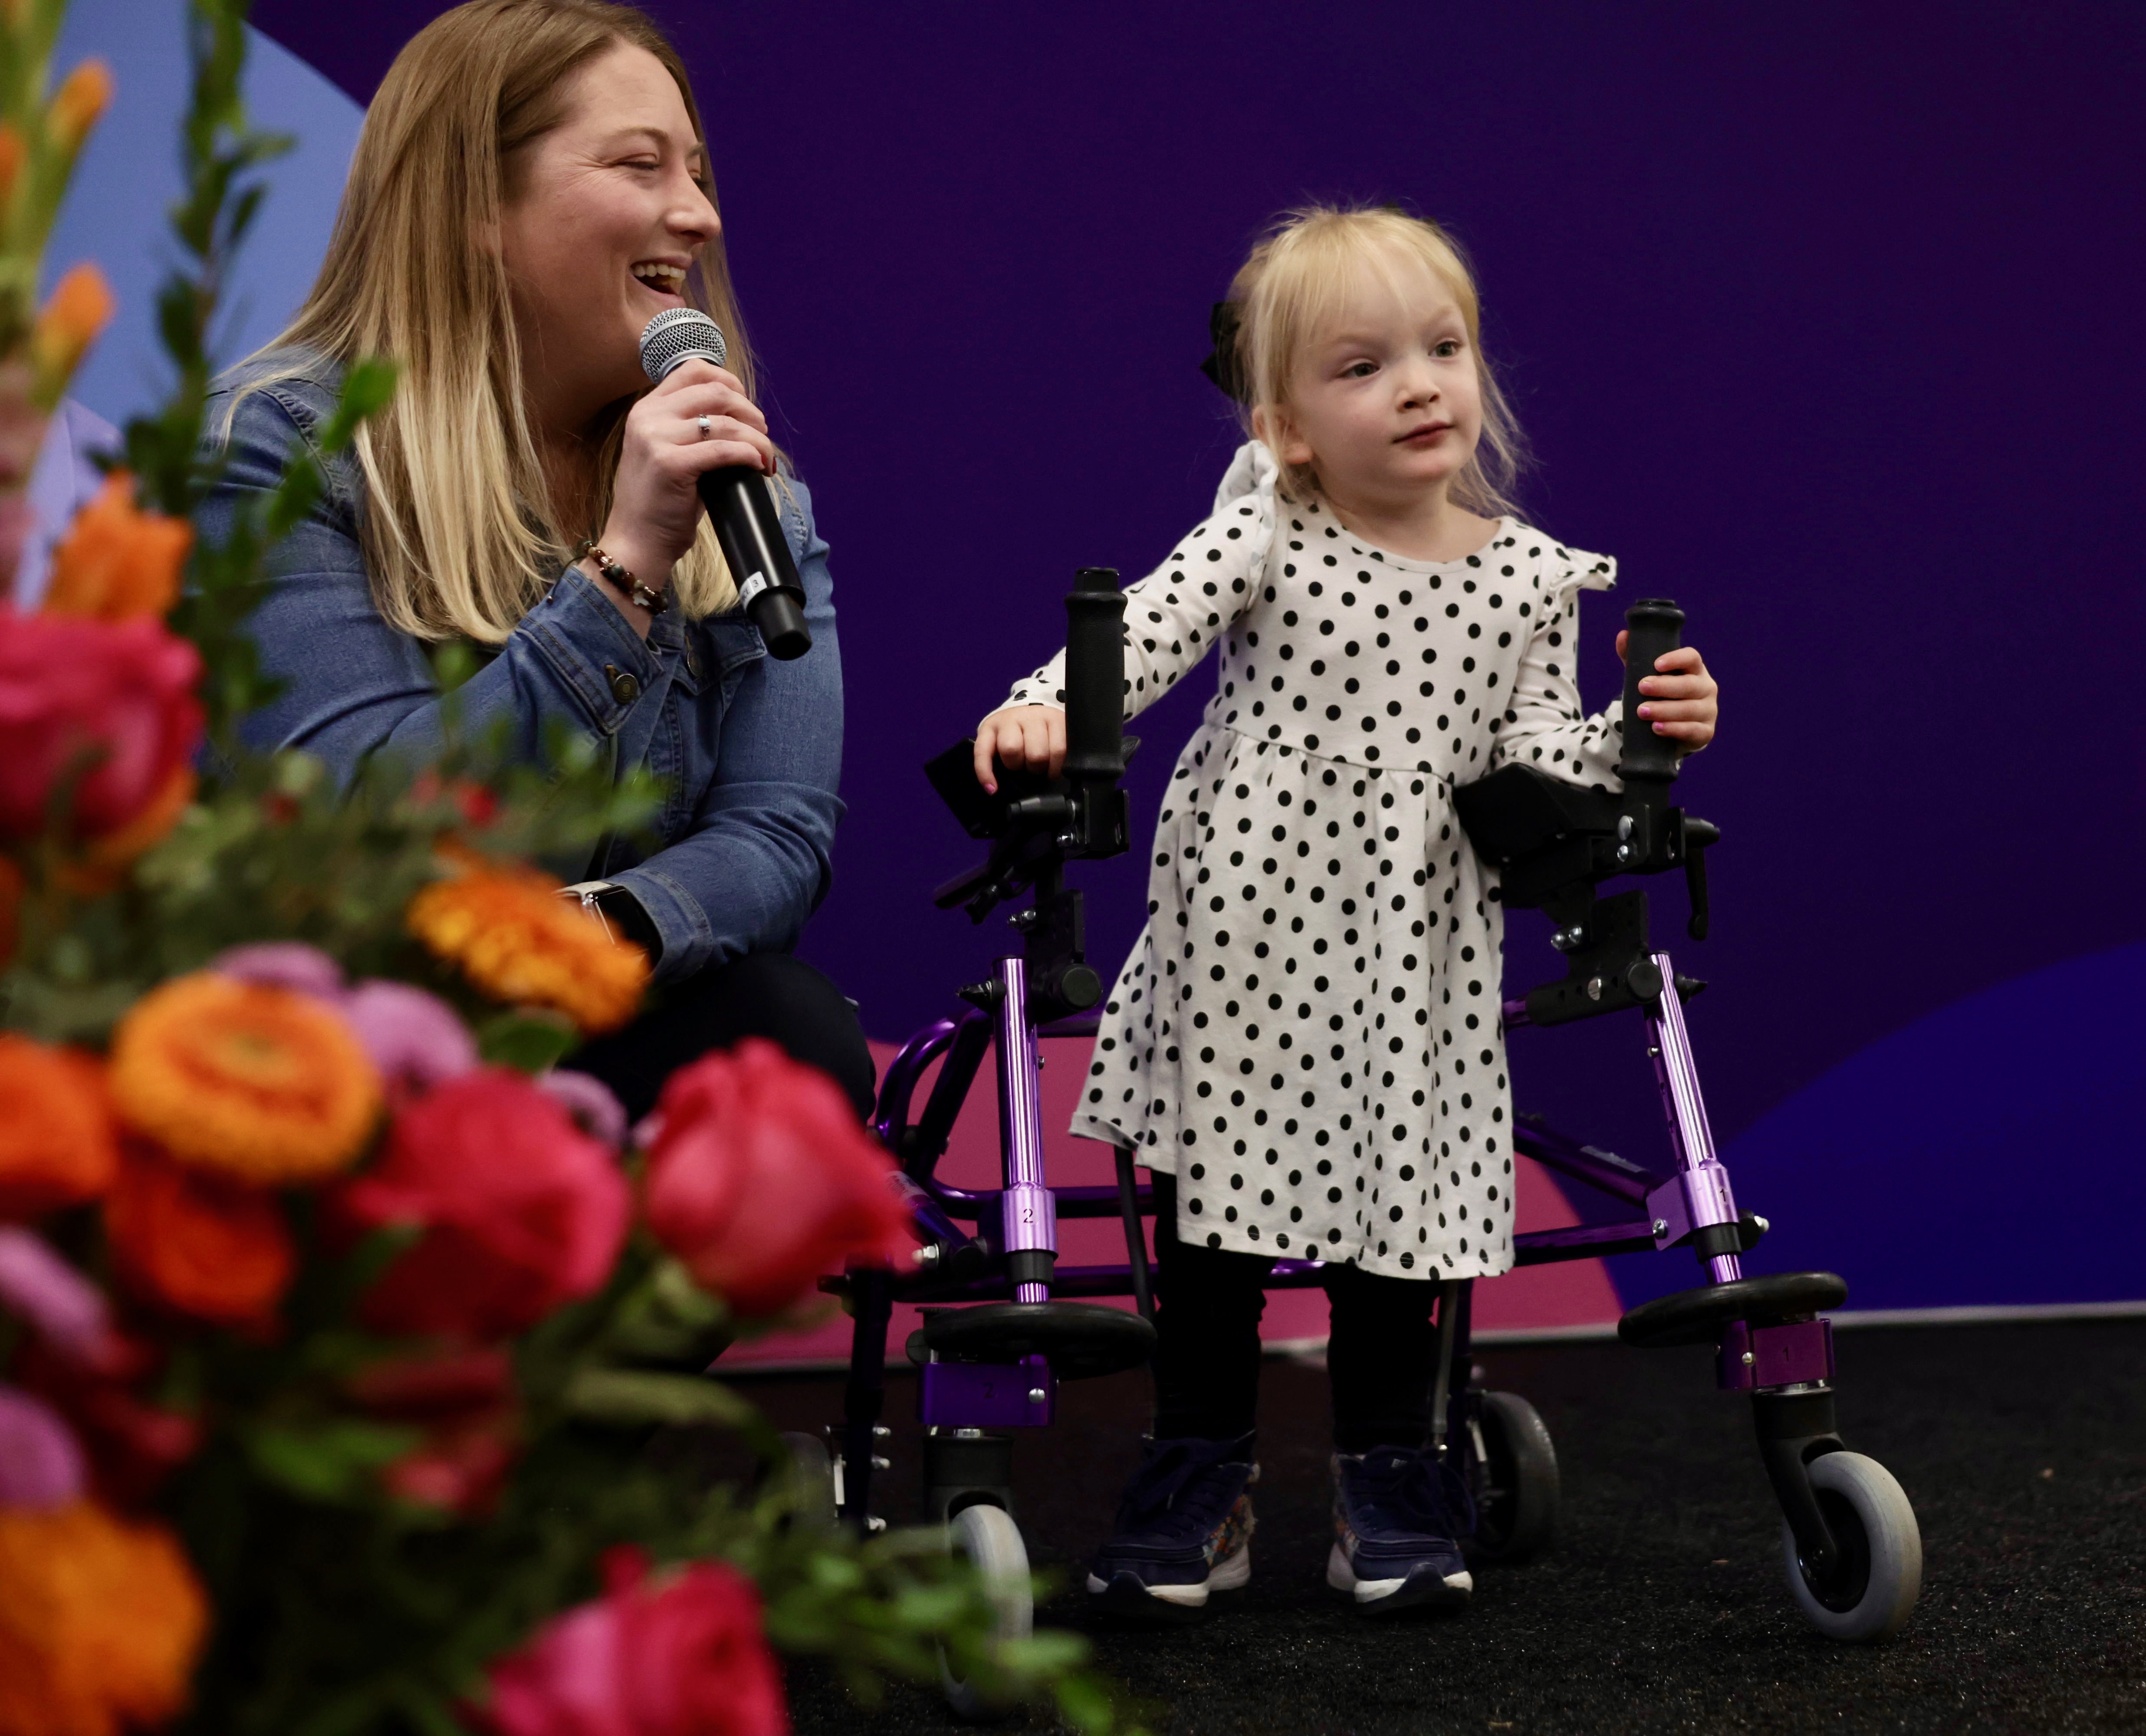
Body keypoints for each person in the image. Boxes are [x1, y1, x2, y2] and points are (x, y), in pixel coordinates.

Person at [972, 206, 1720, 1618]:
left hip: (1414, 955)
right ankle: (1203, 1469)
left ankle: (1392, 1465)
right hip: (1247, 936)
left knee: (1404, 1224)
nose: (1424, 385)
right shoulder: (1263, 535)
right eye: (1365, 365)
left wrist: (1646, 733)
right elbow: (1138, 633)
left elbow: (1533, 751)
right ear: (1288, 427)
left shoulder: (1523, 579)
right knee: (1212, 1234)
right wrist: (1039, 711)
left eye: (1445, 349)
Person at [199, 0, 871, 1124]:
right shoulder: (275, 452)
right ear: (477, 206)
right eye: (640, 165)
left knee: (786, 1027)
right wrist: (624, 570)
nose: (697, 215)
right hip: (346, 1034)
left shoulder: (758, 503)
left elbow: (776, 834)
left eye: (698, 173)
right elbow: (353, 840)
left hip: (598, 1004)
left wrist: (579, 937)